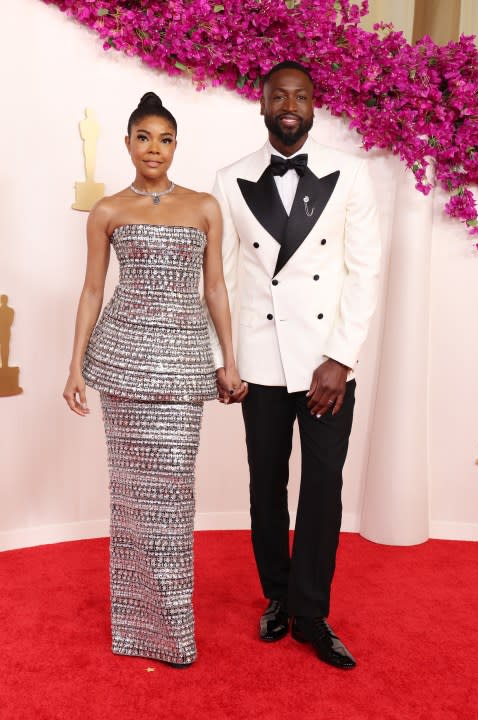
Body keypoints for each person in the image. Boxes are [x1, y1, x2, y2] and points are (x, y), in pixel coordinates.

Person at [63, 92, 246, 668]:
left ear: (175, 146)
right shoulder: (109, 211)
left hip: (183, 365)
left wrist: (228, 360)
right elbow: (93, 289)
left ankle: (172, 630)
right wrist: (75, 366)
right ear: (127, 143)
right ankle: (135, 630)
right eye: (144, 137)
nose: (154, 149)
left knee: (173, 494)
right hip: (122, 364)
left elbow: (214, 288)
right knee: (130, 498)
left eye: (165, 139)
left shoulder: (204, 208)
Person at [212, 61, 380, 669]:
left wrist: (340, 358)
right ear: (261, 104)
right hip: (259, 360)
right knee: (266, 483)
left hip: (325, 365)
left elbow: (364, 272)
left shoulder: (352, 174)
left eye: (301, 96)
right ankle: (278, 596)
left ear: (314, 106)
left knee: (323, 488)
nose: (290, 104)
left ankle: (312, 613)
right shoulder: (230, 179)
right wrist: (223, 360)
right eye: (279, 95)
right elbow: (223, 279)